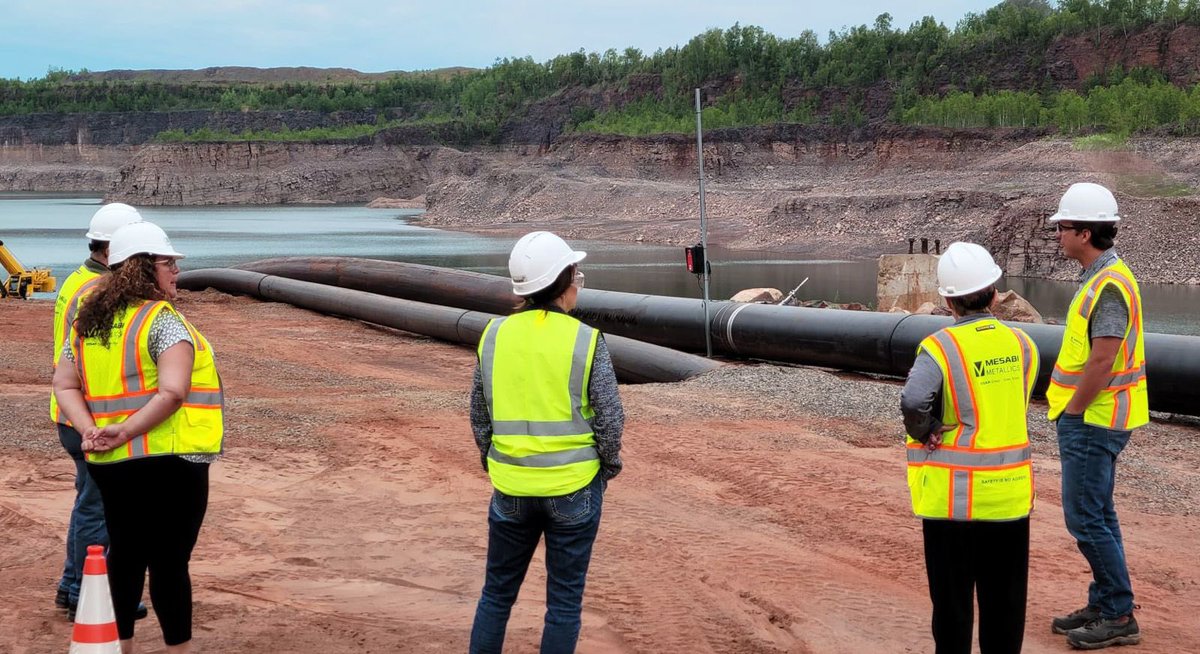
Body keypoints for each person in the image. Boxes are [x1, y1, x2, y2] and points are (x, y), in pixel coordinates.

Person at [53, 221, 224, 654]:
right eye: (169, 263)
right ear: (144, 268)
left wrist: (90, 429)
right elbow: (173, 392)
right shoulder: (161, 320)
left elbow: (64, 384)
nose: (177, 271)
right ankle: (178, 649)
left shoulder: (90, 321)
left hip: (113, 464)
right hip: (172, 460)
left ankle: (121, 646)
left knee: (125, 556)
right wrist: (125, 430)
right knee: (170, 563)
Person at [468, 231, 624, 654]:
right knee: (564, 603)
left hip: (511, 488)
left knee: (496, 595)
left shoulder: (493, 335)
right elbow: (610, 419)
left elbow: (480, 416)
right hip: (574, 488)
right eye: (575, 273)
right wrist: (608, 466)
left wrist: (495, 462)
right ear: (563, 280)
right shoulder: (584, 339)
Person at [901, 242, 1040, 654]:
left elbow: (914, 401)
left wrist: (926, 430)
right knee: (1005, 606)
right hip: (1010, 497)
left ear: (948, 301)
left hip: (954, 502)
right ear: (994, 293)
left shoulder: (940, 347)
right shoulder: (1022, 344)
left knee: (952, 606)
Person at [1045, 182, 1147, 650]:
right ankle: (1106, 601)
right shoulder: (1104, 277)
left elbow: (1103, 359)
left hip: (1094, 419)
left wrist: (1075, 409)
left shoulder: (1108, 286)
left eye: (1063, 227)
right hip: (1099, 417)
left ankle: (1118, 613)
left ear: (1085, 233)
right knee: (1100, 514)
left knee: (1085, 518)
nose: (1058, 235)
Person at [50, 202, 148, 622]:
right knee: (99, 508)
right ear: (112, 248)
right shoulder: (98, 291)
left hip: (73, 413)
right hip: (89, 416)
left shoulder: (78, 279)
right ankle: (84, 593)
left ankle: (72, 585)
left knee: (89, 501)